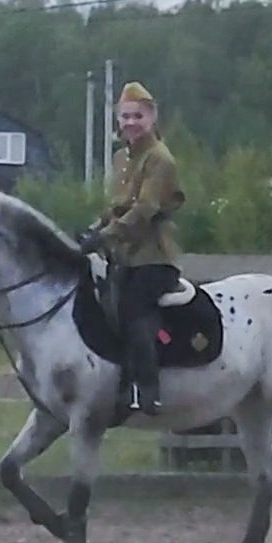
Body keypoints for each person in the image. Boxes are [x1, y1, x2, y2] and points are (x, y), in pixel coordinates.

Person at [77, 80, 184, 415]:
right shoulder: (121, 159)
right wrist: (93, 230)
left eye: (137, 116)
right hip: (124, 256)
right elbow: (117, 207)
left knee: (132, 308)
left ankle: (146, 387)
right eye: (125, 117)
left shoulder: (160, 160)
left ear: (151, 118)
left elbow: (144, 210)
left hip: (153, 257)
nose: (130, 123)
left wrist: (106, 236)